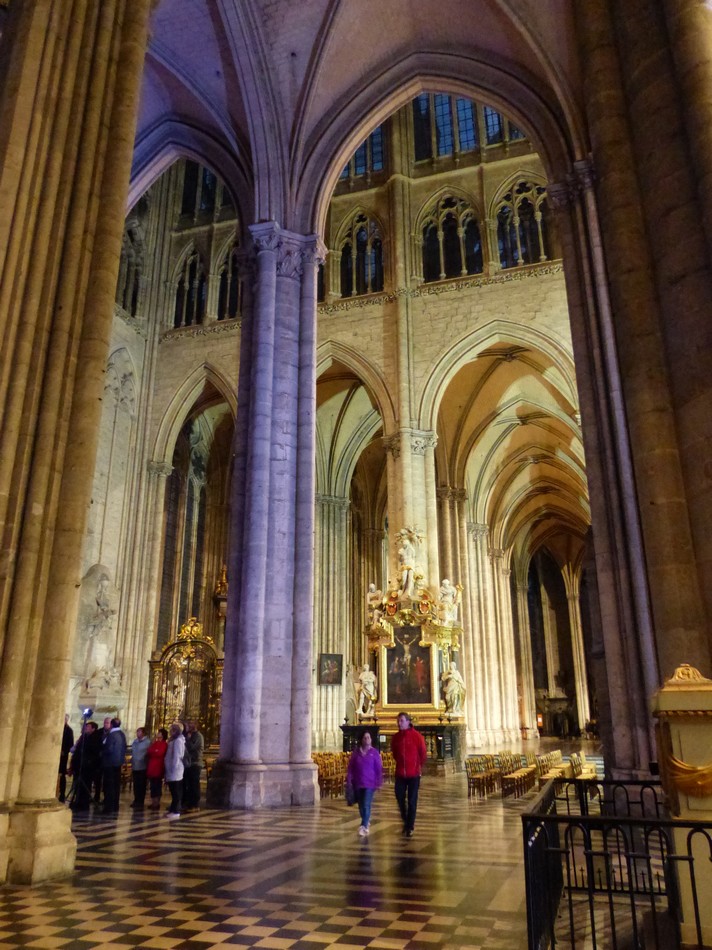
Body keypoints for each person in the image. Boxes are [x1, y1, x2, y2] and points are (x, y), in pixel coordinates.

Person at [390, 711, 427, 837]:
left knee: (412, 801)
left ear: (408, 722)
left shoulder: (417, 736)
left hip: (414, 774)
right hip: (400, 773)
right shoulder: (395, 737)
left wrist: (417, 766)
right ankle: (406, 820)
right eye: (398, 721)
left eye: (401, 721)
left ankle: (409, 826)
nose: (399, 723)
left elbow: (423, 754)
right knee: (399, 797)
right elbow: (394, 753)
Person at [346, 730, 383, 836]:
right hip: (358, 782)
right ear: (361, 740)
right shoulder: (356, 753)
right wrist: (349, 779)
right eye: (365, 738)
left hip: (370, 783)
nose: (367, 739)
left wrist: (379, 782)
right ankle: (366, 819)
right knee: (361, 805)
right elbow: (351, 767)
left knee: (366, 804)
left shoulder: (374, 753)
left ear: (371, 740)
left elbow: (378, 769)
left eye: (368, 737)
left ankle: (364, 825)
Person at [69, 721, 100, 811]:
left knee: (86, 785)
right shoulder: (84, 737)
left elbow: (94, 751)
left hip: (88, 766)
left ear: (93, 729)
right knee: (78, 786)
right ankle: (78, 801)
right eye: (86, 727)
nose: (86, 728)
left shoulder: (95, 738)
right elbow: (78, 749)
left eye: (88, 727)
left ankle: (84, 803)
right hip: (80, 765)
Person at [102, 717, 127, 814]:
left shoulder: (112, 735)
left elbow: (109, 749)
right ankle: (115, 805)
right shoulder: (122, 734)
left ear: (111, 725)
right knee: (116, 786)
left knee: (109, 786)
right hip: (118, 763)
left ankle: (109, 807)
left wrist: (101, 752)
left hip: (109, 763)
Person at [164, 722, 185, 819]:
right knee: (173, 790)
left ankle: (176, 810)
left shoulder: (178, 741)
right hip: (171, 769)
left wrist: (173, 768)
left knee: (176, 791)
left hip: (175, 770)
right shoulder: (174, 740)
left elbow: (177, 756)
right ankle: (173, 809)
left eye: (172, 730)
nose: (170, 732)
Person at [183, 721, 204, 812]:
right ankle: (188, 803)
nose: (189, 726)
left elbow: (191, 747)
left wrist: (187, 739)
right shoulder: (188, 735)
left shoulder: (198, 736)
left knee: (194, 785)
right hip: (188, 763)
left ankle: (195, 805)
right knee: (188, 784)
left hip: (195, 763)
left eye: (191, 725)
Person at [146, 728, 168, 810]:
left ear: (162, 735)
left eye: (159, 733)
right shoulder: (155, 743)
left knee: (157, 785)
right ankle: (153, 802)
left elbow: (159, 753)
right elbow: (149, 751)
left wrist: (153, 751)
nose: (157, 734)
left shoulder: (164, 744)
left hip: (158, 766)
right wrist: (153, 751)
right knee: (152, 786)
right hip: (152, 766)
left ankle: (157, 803)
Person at [130, 726, 151, 808]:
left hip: (143, 766)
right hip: (135, 765)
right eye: (137, 732)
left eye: (139, 732)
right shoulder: (135, 741)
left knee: (141, 785)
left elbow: (148, 753)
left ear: (143, 733)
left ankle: (140, 801)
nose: (137, 733)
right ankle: (136, 799)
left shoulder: (147, 742)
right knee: (136, 785)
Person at [58, 714, 74, 803]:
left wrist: (64, 751)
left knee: (62, 775)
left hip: (63, 756)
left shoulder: (69, 731)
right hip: (56, 755)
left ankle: (62, 793)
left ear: (66, 720)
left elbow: (70, 744)